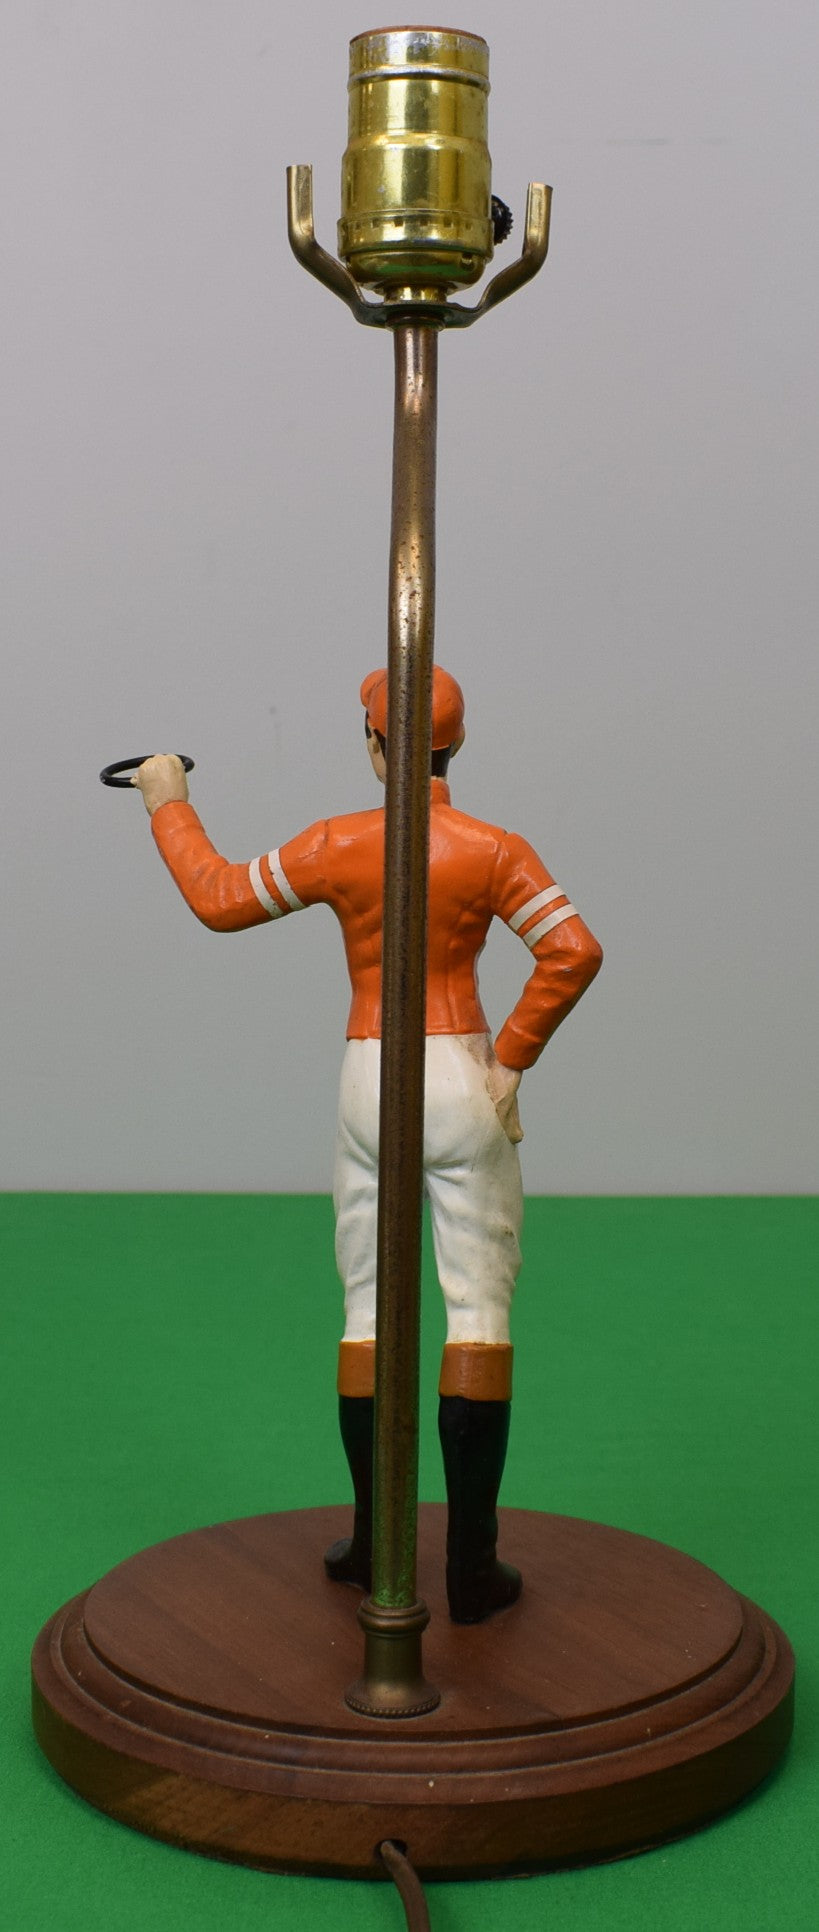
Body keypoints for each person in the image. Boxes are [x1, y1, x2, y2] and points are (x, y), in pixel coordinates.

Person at [132, 667, 603, 1621]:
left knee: (364, 1307)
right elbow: (572, 950)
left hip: (368, 1075)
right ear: (455, 746)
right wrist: (512, 1060)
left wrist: (168, 802)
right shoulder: (492, 848)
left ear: (376, 745)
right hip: (461, 1069)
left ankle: (373, 1541)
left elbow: (218, 898)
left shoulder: (337, 842)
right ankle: (470, 1565)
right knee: (478, 1312)